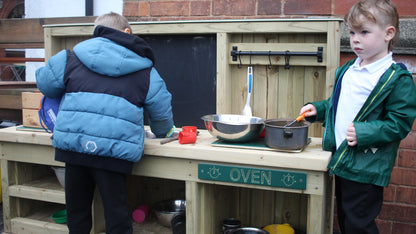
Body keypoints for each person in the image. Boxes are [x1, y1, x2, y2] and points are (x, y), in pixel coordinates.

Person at [36, 12, 175, 234]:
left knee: (77, 213)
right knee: (116, 214)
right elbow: (160, 108)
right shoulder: (145, 69)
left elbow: (45, 84)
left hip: (75, 147)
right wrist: (161, 133)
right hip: (113, 153)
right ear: (127, 32)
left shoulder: (70, 58)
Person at [299, 0, 416, 233]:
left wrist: (365, 132)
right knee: (346, 220)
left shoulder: (395, 77)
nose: (355, 38)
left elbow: (399, 124)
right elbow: (338, 105)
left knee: (358, 224)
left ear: (388, 34)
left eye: (364, 32)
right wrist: (318, 109)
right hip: (342, 159)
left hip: (366, 166)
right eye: (352, 32)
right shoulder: (349, 69)